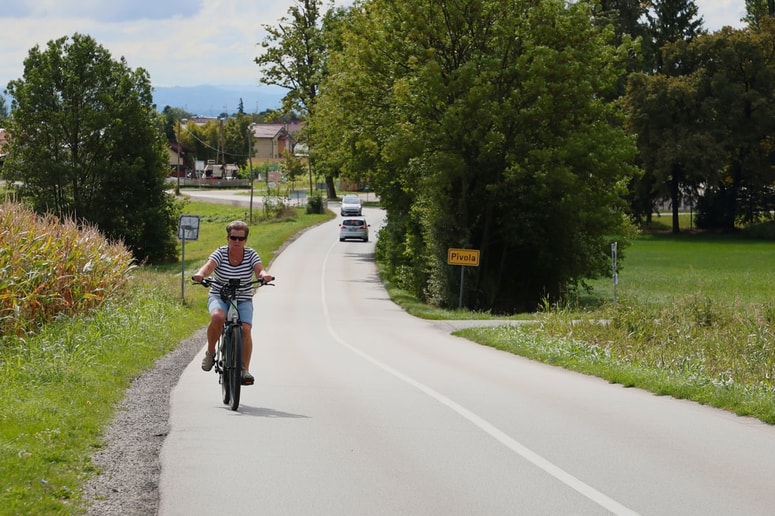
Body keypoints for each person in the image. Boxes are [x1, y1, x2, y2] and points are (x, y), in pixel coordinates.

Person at [192, 220, 273, 385]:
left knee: (246, 329)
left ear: (245, 240)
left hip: (242, 297)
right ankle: (210, 352)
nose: (237, 241)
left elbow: (259, 270)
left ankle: (244, 370)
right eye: (233, 237)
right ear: (227, 238)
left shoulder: (251, 254)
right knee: (217, 317)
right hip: (219, 295)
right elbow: (208, 267)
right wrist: (200, 274)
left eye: (240, 239)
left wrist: (264, 275)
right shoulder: (220, 253)